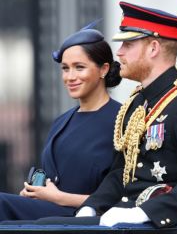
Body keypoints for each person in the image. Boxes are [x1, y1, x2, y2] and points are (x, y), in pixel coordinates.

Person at [15, 1, 177, 228]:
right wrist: (90, 207)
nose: (119, 53)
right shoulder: (137, 103)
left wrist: (144, 213)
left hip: (159, 223)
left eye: (128, 44)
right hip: (121, 216)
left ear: (153, 48)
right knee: (26, 225)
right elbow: (120, 173)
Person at [0, 25, 122, 221]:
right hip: (50, 216)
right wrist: (35, 193)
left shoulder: (122, 120)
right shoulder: (62, 121)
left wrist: (59, 197)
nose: (70, 77)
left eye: (79, 67)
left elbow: (124, 197)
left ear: (104, 69)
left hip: (89, 219)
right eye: (65, 68)